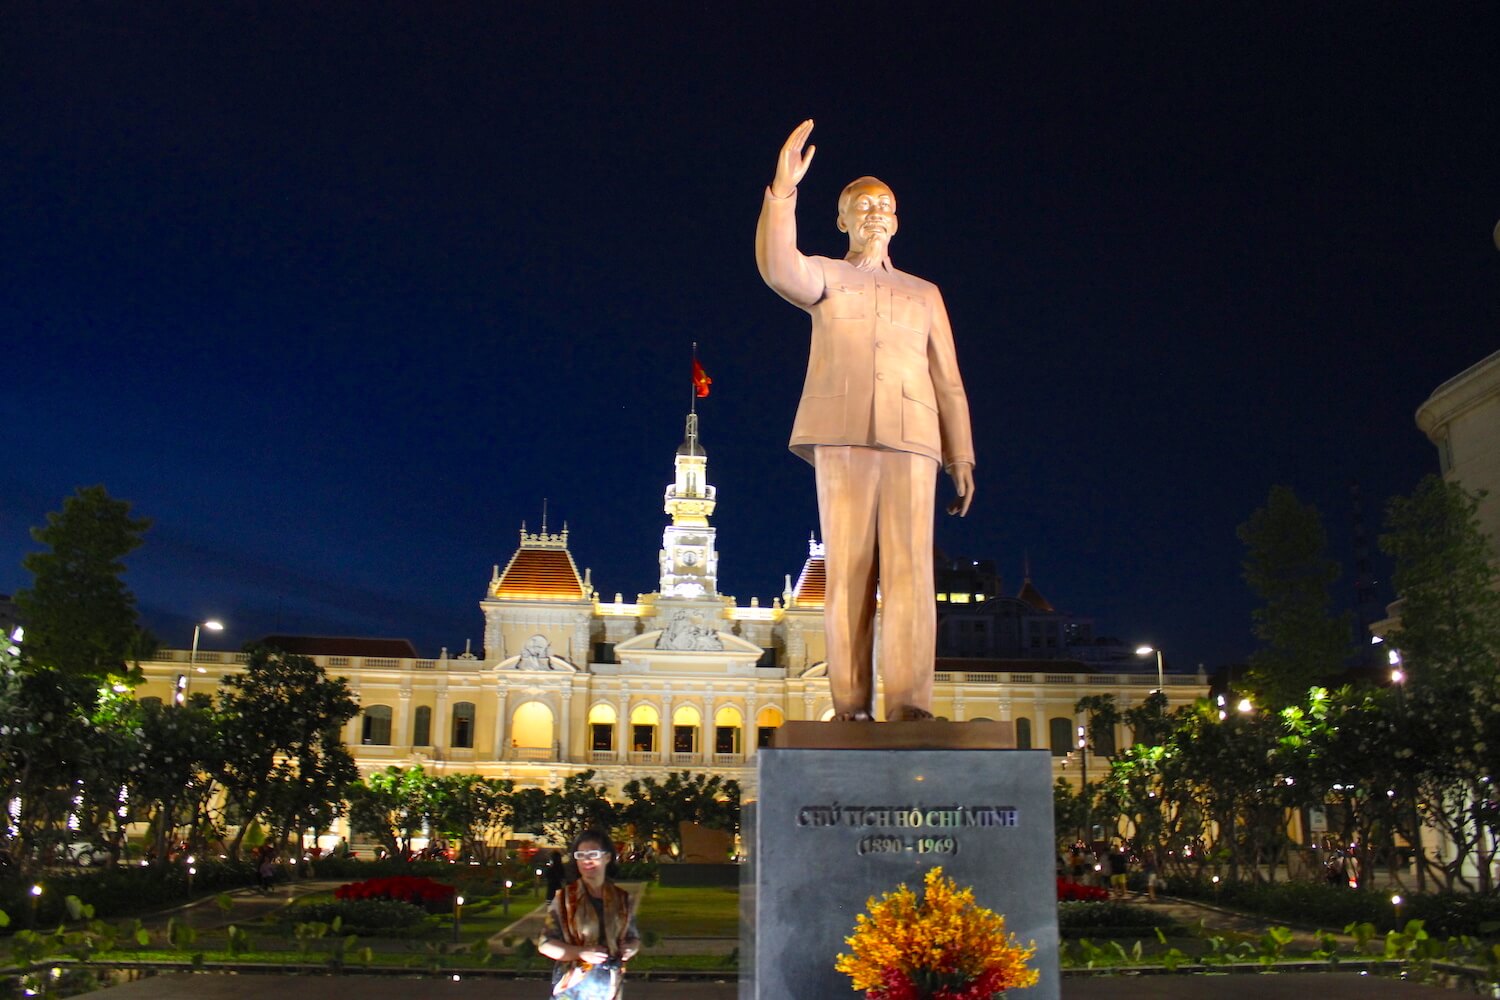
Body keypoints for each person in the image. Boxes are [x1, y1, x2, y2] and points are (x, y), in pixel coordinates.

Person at [756, 119, 975, 722]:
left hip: (914, 438)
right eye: (862, 205)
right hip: (843, 433)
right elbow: (778, 267)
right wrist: (782, 191)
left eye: (885, 205)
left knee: (911, 572)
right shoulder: (827, 274)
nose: (875, 213)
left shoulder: (924, 293)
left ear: (897, 221)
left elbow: (948, 379)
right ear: (843, 220)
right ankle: (849, 706)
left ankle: (910, 706)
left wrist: (962, 456)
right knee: (848, 569)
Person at [539, 831, 640, 999]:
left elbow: (633, 937)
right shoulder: (565, 899)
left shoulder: (622, 899)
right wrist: (580, 952)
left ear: (607, 857)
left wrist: (632, 947)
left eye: (593, 854)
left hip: (610, 988)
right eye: (581, 855)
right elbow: (545, 944)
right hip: (573, 989)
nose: (586, 860)